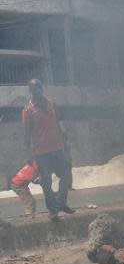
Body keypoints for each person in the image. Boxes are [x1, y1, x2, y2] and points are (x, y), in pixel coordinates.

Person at [22, 79, 74, 221]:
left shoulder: (52, 104)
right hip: (41, 152)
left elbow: (59, 125)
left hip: (57, 148)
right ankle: (53, 210)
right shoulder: (28, 111)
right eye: (33, 89)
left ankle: (61, 203)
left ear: (41, 88)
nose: (36, 91)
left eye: (38, 88)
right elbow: (26, 134)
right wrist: (29, 154)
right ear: (30, 91)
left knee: (66, 175)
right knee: (46, 182)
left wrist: (66, 146)